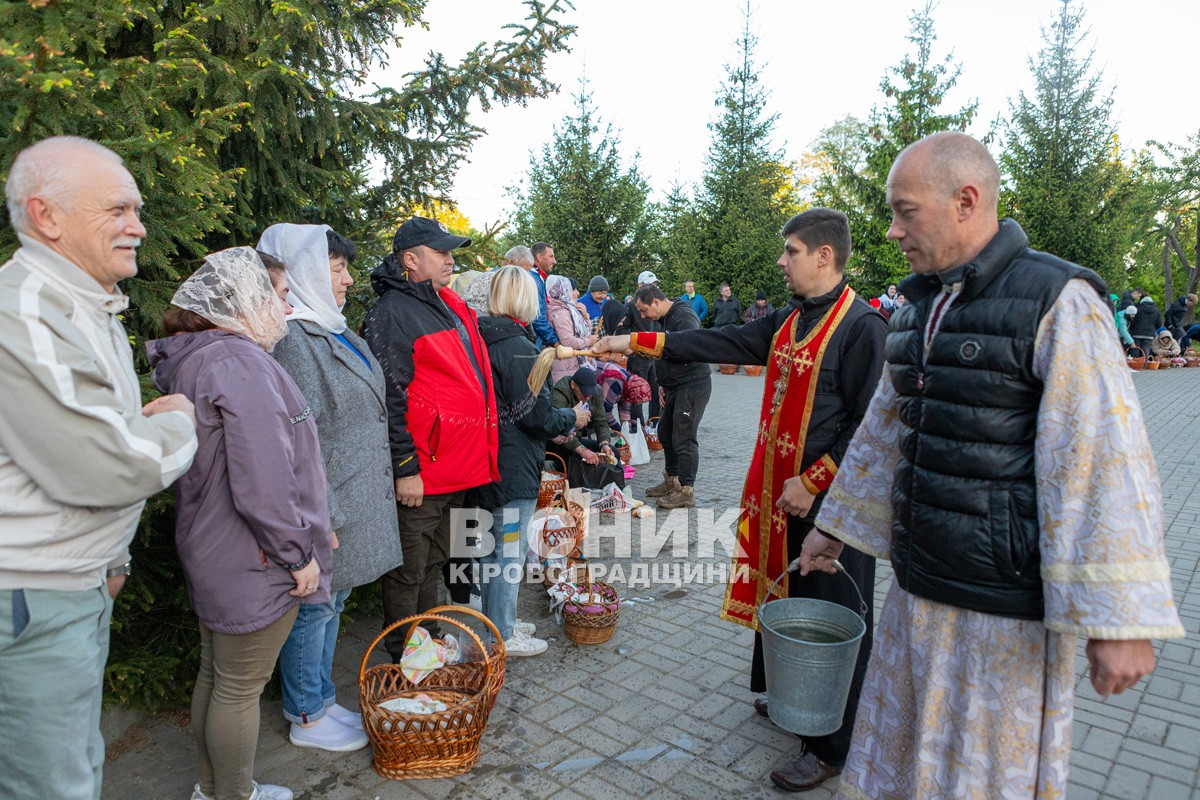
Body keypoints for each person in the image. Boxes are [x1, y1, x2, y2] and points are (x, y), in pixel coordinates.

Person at [798, 131, 1183, 799]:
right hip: (919, 587)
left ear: (966, 200)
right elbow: (885, 429)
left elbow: (1101, 458)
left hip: (1001, 611)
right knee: (908, 769)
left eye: (905, 211)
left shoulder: (1059, 301)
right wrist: (834, 526)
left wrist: (1122, 621)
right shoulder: (921, 307)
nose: (892, 231)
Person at [594, 209, 886, 790]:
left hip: (834, 505)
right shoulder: (788, 320)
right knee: (787, 594)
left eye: (792, 251)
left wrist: (816, 479)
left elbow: (872, 427)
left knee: (831, 610)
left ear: (824, 256)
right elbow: (716, 338)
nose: (782, 260)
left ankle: (830, 744)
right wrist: (632, 340)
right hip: (778, 497)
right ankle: (792, 696)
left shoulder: (862, 327)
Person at [0, 136, 198, 800]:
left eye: (137, 209)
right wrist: (178, 422)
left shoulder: (89, 307)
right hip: (30, 596)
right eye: (118, 209)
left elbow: (88, 443)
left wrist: (112, 564)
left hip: (71, 584)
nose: (138, 226)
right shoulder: (23, 314)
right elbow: (108, 464)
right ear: (47, 216)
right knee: (53, 787)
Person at [148, 246, 335, 800]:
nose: (287, 307)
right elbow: (264, 478)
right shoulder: (237, 362)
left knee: (218, 675)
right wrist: (297, 554)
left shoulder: (203, 357)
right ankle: (234, 794)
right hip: (251, 555)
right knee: (238, 687)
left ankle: (213, 790)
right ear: (244, 300)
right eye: (279, 296)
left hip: (216, 548)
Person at [256, 223, 403, 752]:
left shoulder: (335, 328)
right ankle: (305, 713)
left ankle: (318, 697)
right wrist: (327, 516)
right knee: (313, 608)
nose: (347, 280)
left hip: (356, 491)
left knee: (331, 604)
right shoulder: (293, 338)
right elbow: (301, 439)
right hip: (331, 501)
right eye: (337, 269)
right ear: (304, 273)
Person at [360, 217, 499, 662]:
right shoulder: (393, 312)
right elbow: (389, 396)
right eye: (441, 252)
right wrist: (406, 468)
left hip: (455, 467)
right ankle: (406, 656)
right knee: (408, 569)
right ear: (411, 260)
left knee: (434, 560)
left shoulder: (441, 302)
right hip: (424, 470)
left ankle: (429, 640)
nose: (450, 258)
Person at [467, 266, 587, 655]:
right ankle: (499, 637)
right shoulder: (518, 346)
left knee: (491, 550)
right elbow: (535, 416)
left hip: (487, 457)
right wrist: (573, 417)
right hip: (512, 460)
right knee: (508, 552)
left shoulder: (483, 337)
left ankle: (496, 624)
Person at [626, 284, 712, 509]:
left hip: (692, 384)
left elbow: (687, 346)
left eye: (643, 310)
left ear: (656, 302)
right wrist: (663, 385)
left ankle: (686, 490)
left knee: (683, 437)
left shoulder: (684, 316)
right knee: (665, 432)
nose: (642, 315)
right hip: (674, 386)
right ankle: (672, 480)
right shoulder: (663, 318)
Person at [617, 270, 663, 424]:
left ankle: (654, 426)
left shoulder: (658, 305)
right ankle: (637, 427)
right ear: (640, 285)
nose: (653, 288)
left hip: (656, 356)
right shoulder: (631, 307)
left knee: (656, 393)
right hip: (638, 358)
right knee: (637, 393)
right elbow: (622, 329)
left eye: (655, 284)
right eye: (650, 284)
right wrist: (635, 342)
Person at [546, 273, 596, 384]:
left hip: (570, 365)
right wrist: (588, 341)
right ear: (563, 291)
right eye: (573, 289)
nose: (577, 293)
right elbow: (568, 341)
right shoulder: (561, 313)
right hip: (565, 368)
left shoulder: (568, 310)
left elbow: (584, 332)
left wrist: (585, 316)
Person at [505, 245, 558, 348]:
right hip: (530, 342)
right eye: (551, 256)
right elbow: (537, 316)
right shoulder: (533, 279)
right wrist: (556, 342)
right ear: (539, 257)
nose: (554, 261)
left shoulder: (537, 278)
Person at [596, 361, 653, 430]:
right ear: (633, 394)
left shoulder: (630, 385)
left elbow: (625, 410)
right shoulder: (615, 383)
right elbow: (605, 411)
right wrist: (619, 430)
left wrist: (627, 430)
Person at [1128, 290, 1162, 357]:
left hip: (1137, 333)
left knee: (1135, 349)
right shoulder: (1156, 310)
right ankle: (1144, 365)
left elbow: (1133, 320)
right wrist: (1152, 328)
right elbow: (1159, 323)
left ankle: (1136, 365)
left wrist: (1132, 328)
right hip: (1149, 334)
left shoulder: (1138, 308)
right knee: (1146, 350)